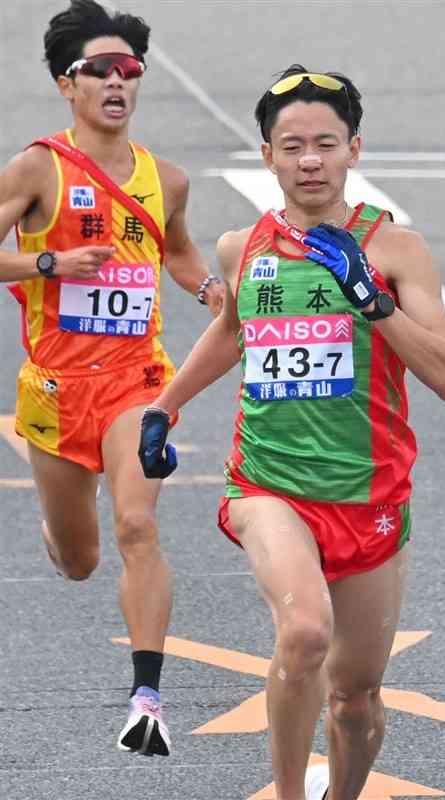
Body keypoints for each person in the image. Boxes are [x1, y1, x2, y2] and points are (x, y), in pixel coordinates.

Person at [138, 65, 445, 798]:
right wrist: (165, 405)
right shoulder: (240, 248)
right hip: (267, 484)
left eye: (325, 143)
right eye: (291, 146)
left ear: (354, 150)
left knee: (354, 699)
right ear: (267, 157)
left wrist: (370, 302)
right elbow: (233, 330)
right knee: (304, 633)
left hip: (368, 491)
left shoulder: (394, 251)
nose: (308, 160)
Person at [0, 0, 223, 758]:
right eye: (100, 69)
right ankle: (59, 534)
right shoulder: (37, 167)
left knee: (138, 524)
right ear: (69, 85)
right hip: (58, 393)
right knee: (80, 559)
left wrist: (207, 289)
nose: (117, 81)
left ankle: (147, 698)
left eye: (129, 69)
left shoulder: (167, 179)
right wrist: (48, 263)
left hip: (137, 382)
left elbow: (180, 251)